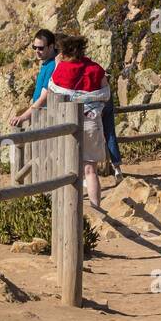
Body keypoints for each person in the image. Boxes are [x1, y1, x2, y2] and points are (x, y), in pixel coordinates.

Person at [45, 34, 109, 209]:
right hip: (91, 121)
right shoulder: (95, 69)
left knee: (67, 166)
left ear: (64, 52)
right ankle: (96, 207)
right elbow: (106, 93)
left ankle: (69, 207)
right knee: (90, 170)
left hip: (68, 122)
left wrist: (58, 65)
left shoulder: (62, 69)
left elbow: (52, 90)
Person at [10, 29, 58, 127]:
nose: (37, 51)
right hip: (39, 116)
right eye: (34, 47)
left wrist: (23, 117)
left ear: (51, 47)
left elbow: (44, 97)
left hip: (45, 119)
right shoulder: (46, 64)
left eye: (40, 48)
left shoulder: (52, 65)